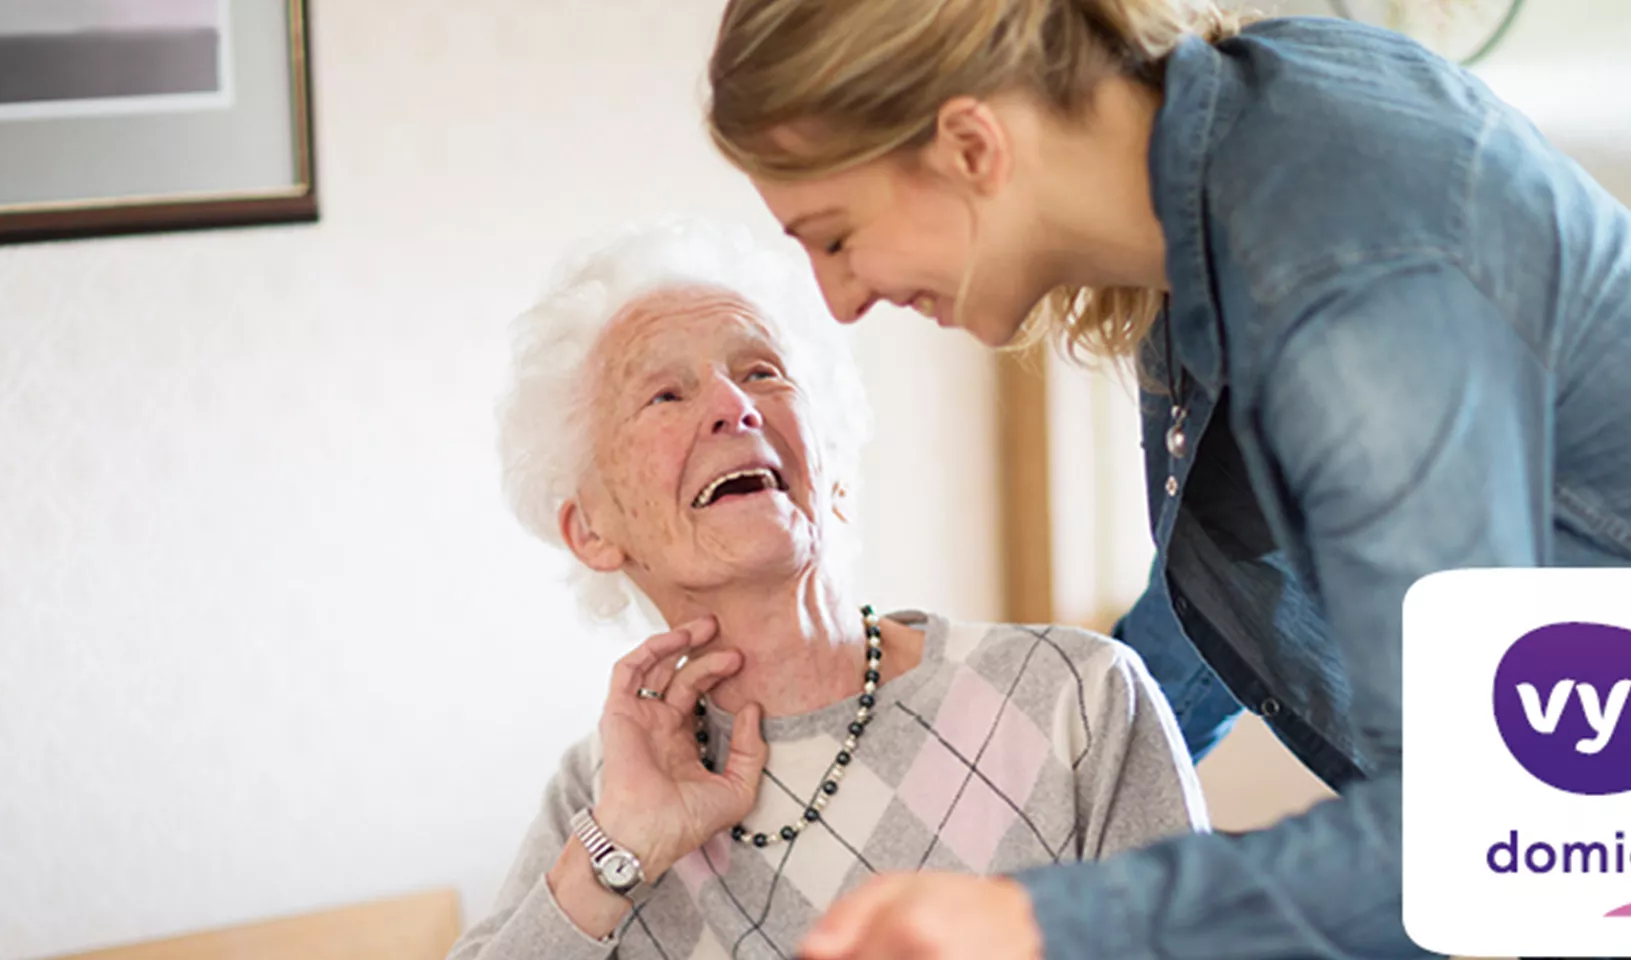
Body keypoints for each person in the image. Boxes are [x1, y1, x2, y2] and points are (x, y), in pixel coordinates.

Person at [701, 1, 1631, 957]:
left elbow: (1491, 819)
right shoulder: (1230, 171)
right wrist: (1031, 772)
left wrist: (1035, 924)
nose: (839, 301)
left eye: (836, 235)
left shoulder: (1344, 269)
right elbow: (1230, 576)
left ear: (970, 146)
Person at [446, 218, 1210, 960]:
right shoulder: (601, 791)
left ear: (835, 471)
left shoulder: (1076, 696)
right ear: (592, 531)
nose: (733, 406)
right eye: (665, 396)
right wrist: (618, 852)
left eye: (762, 372)